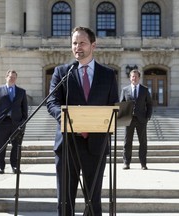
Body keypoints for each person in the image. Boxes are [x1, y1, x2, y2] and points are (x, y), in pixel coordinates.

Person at [46, 26, 119, 216]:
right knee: (65, 198)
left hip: (96, 144)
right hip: (67, 143)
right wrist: (63, 116)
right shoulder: (62, 72)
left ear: (93, 45)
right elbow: (52, 102)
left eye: (82, 43)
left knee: (93, 198)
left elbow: (112, 104)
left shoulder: (108, 74)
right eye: (74, 43)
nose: (77, 47)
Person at [0, 70, 28, 174]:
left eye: (14, 77)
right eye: (10, 77)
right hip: (2, 123)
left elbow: (24, 109)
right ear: (6, 77)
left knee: (17, 146)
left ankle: (15, 166)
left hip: (17, 123)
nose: (12, 79)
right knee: (0, 146)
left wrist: (23, 122)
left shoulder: (21, 92)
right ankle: (0, 167)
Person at [120, 69, 152, 170]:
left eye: (136, 76)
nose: (134, 78)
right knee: (127, 142)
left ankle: (143, 164)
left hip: (141, 120)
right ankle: (126, 163)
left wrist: (147, 117)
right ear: (130, 78)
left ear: (139, 77)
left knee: (143, 142)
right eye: (132, 77)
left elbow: (149, 104)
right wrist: (122, 118)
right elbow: (122, 104)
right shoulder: (125, 90)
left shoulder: (145, 90)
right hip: (128, 120)